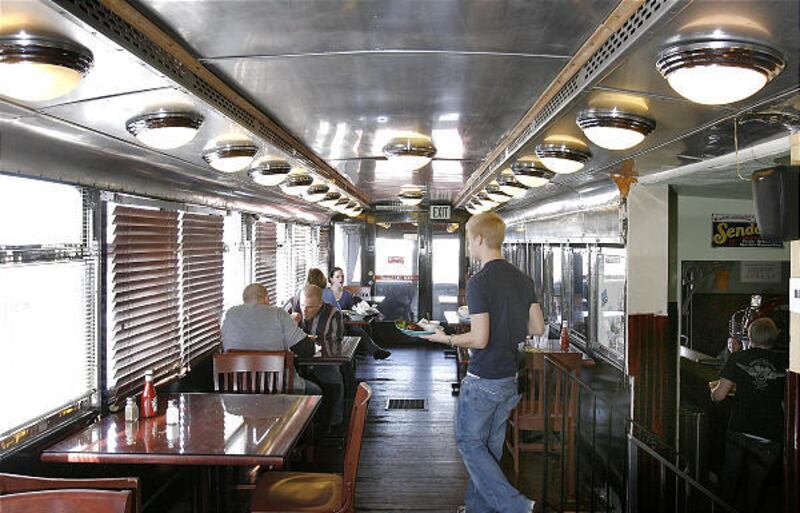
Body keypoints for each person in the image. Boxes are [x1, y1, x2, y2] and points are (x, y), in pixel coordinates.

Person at [423, 212, 544, 513]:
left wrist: (445, 339)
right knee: (488, 449)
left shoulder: (480, 282)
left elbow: (478, 339)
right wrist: (508, 325)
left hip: (484, 379)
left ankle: (516, 507)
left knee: (468, 443)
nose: (467, 246)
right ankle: (477, 508)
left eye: (468, 238)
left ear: (479, 239)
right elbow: (538, 327)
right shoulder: (523, 278)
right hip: (510, 380)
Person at [711, 317, 788, 513]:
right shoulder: (785, 362)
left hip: (740, 429)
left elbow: (720, 395)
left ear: (750, 336)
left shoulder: (738, 358)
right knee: (755, 491)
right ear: (774, 337)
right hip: (769, 436)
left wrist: (711, 392)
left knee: (729, 485)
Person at [220, 283, 319, 395]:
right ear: (267, 298)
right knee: (316, 391)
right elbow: (307, 349)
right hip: (279, 390)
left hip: (237, 390)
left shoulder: (230, 314)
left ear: (244, 300)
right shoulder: (278, 314)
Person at [288, 284, 347, 430]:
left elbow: (334, 342)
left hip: (323, 360)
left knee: (333, 378)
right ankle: (298, 425)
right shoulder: (290, 307)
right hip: (293, 362)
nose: (304, 310)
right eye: (302, 305)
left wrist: (305, 339)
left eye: (310, 307)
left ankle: (334, 423)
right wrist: (291, 323)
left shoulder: (333, 313)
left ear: (320, 304)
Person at [324, 266, 390, 360]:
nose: (341, 279)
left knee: (358, 330)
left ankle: (375, 351)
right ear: (331, 279)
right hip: (328, 325)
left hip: (345, 324)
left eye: (342, 276)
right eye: (338, 276)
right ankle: (374, 351)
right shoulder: (325, 293)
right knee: (356, 330)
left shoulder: (347, 295)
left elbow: (353, 311)